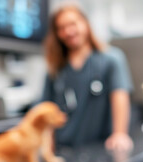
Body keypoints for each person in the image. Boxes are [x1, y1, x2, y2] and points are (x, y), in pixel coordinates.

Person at [42, 3, 133, 151]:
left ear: (85, 23)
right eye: (61, 28)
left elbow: (120, 96)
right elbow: (45, 108)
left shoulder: (111, 59)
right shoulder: (55, 69)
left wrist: (120, 133)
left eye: (72, 24)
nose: (68, 31)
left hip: (100, 148)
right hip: (63, 148)